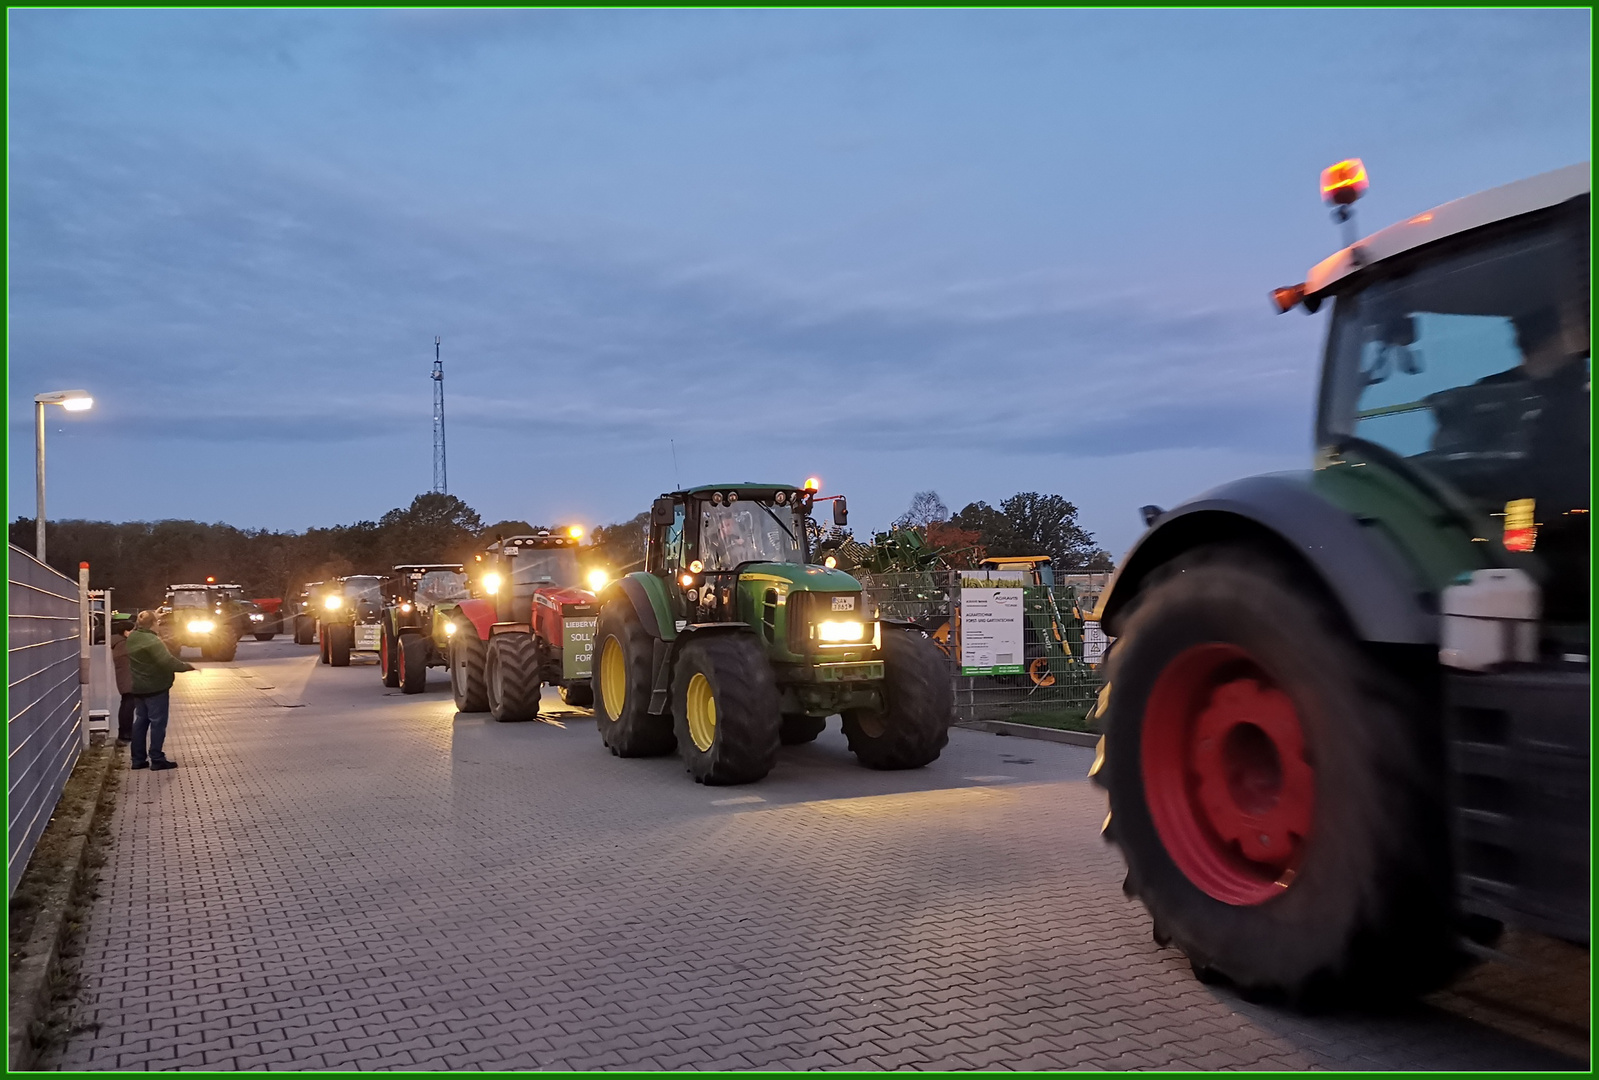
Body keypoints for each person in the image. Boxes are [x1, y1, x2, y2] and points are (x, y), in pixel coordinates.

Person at [126, 609, 195, 771]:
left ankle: (138, 759)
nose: (160, 624)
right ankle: (157, 758)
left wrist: (153, 614)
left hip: (138, 687)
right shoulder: (152, 640)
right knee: (158, 723)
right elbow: (167, 661)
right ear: (154, 624)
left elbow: (144, 621)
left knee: (140, 722)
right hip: (155, 687)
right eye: (157, 622)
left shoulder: (133, 637)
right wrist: (188, 667)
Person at [109, 614, 136, 746]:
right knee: (128, 706)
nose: (134, 633)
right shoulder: (123, 645)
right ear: (126, 632)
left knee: (127, 705)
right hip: (128, 679)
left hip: (125, 679)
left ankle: (125, 732)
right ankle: (125, 733)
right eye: (132, 631)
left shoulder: (119, 643)